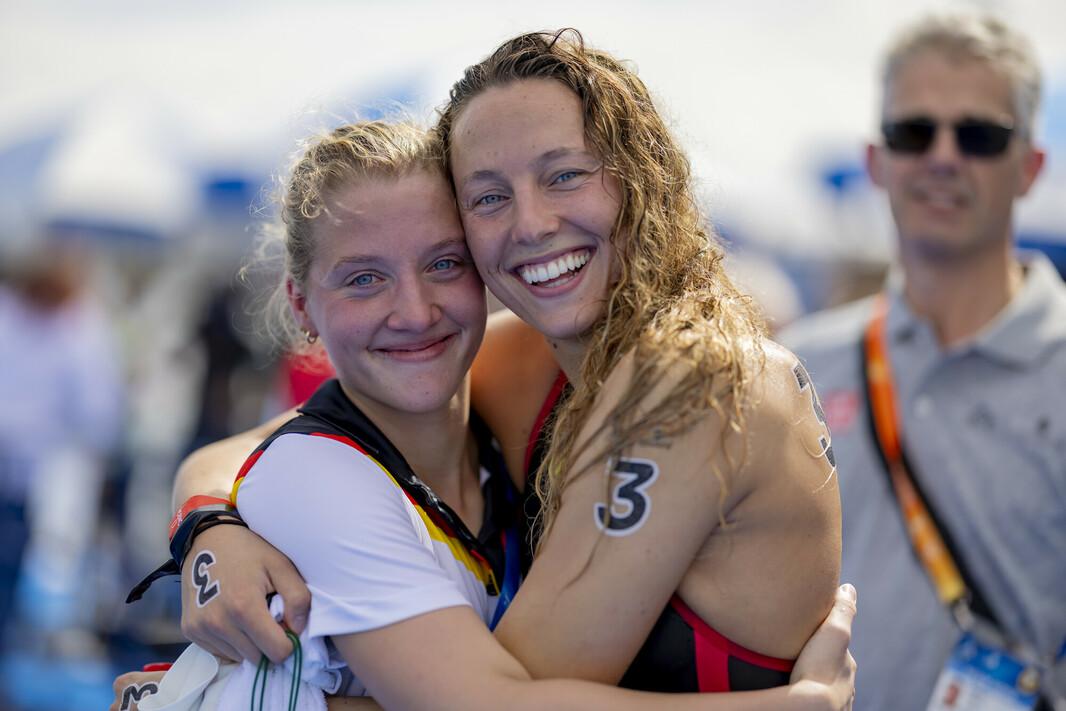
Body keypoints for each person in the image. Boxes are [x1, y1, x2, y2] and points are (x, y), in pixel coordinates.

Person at [131, 29, 849, 704]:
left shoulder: (691, 375)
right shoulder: (529, 363)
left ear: (642, 179)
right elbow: (280, 444)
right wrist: (209, 524)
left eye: (563, 175)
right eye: (489, 197)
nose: (530, 223)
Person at [779, 14, 1065, 710]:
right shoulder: (793, 368)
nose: (942, 155)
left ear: (1029, 166)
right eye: (914, 132)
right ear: (878, 161)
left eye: (979, 135)